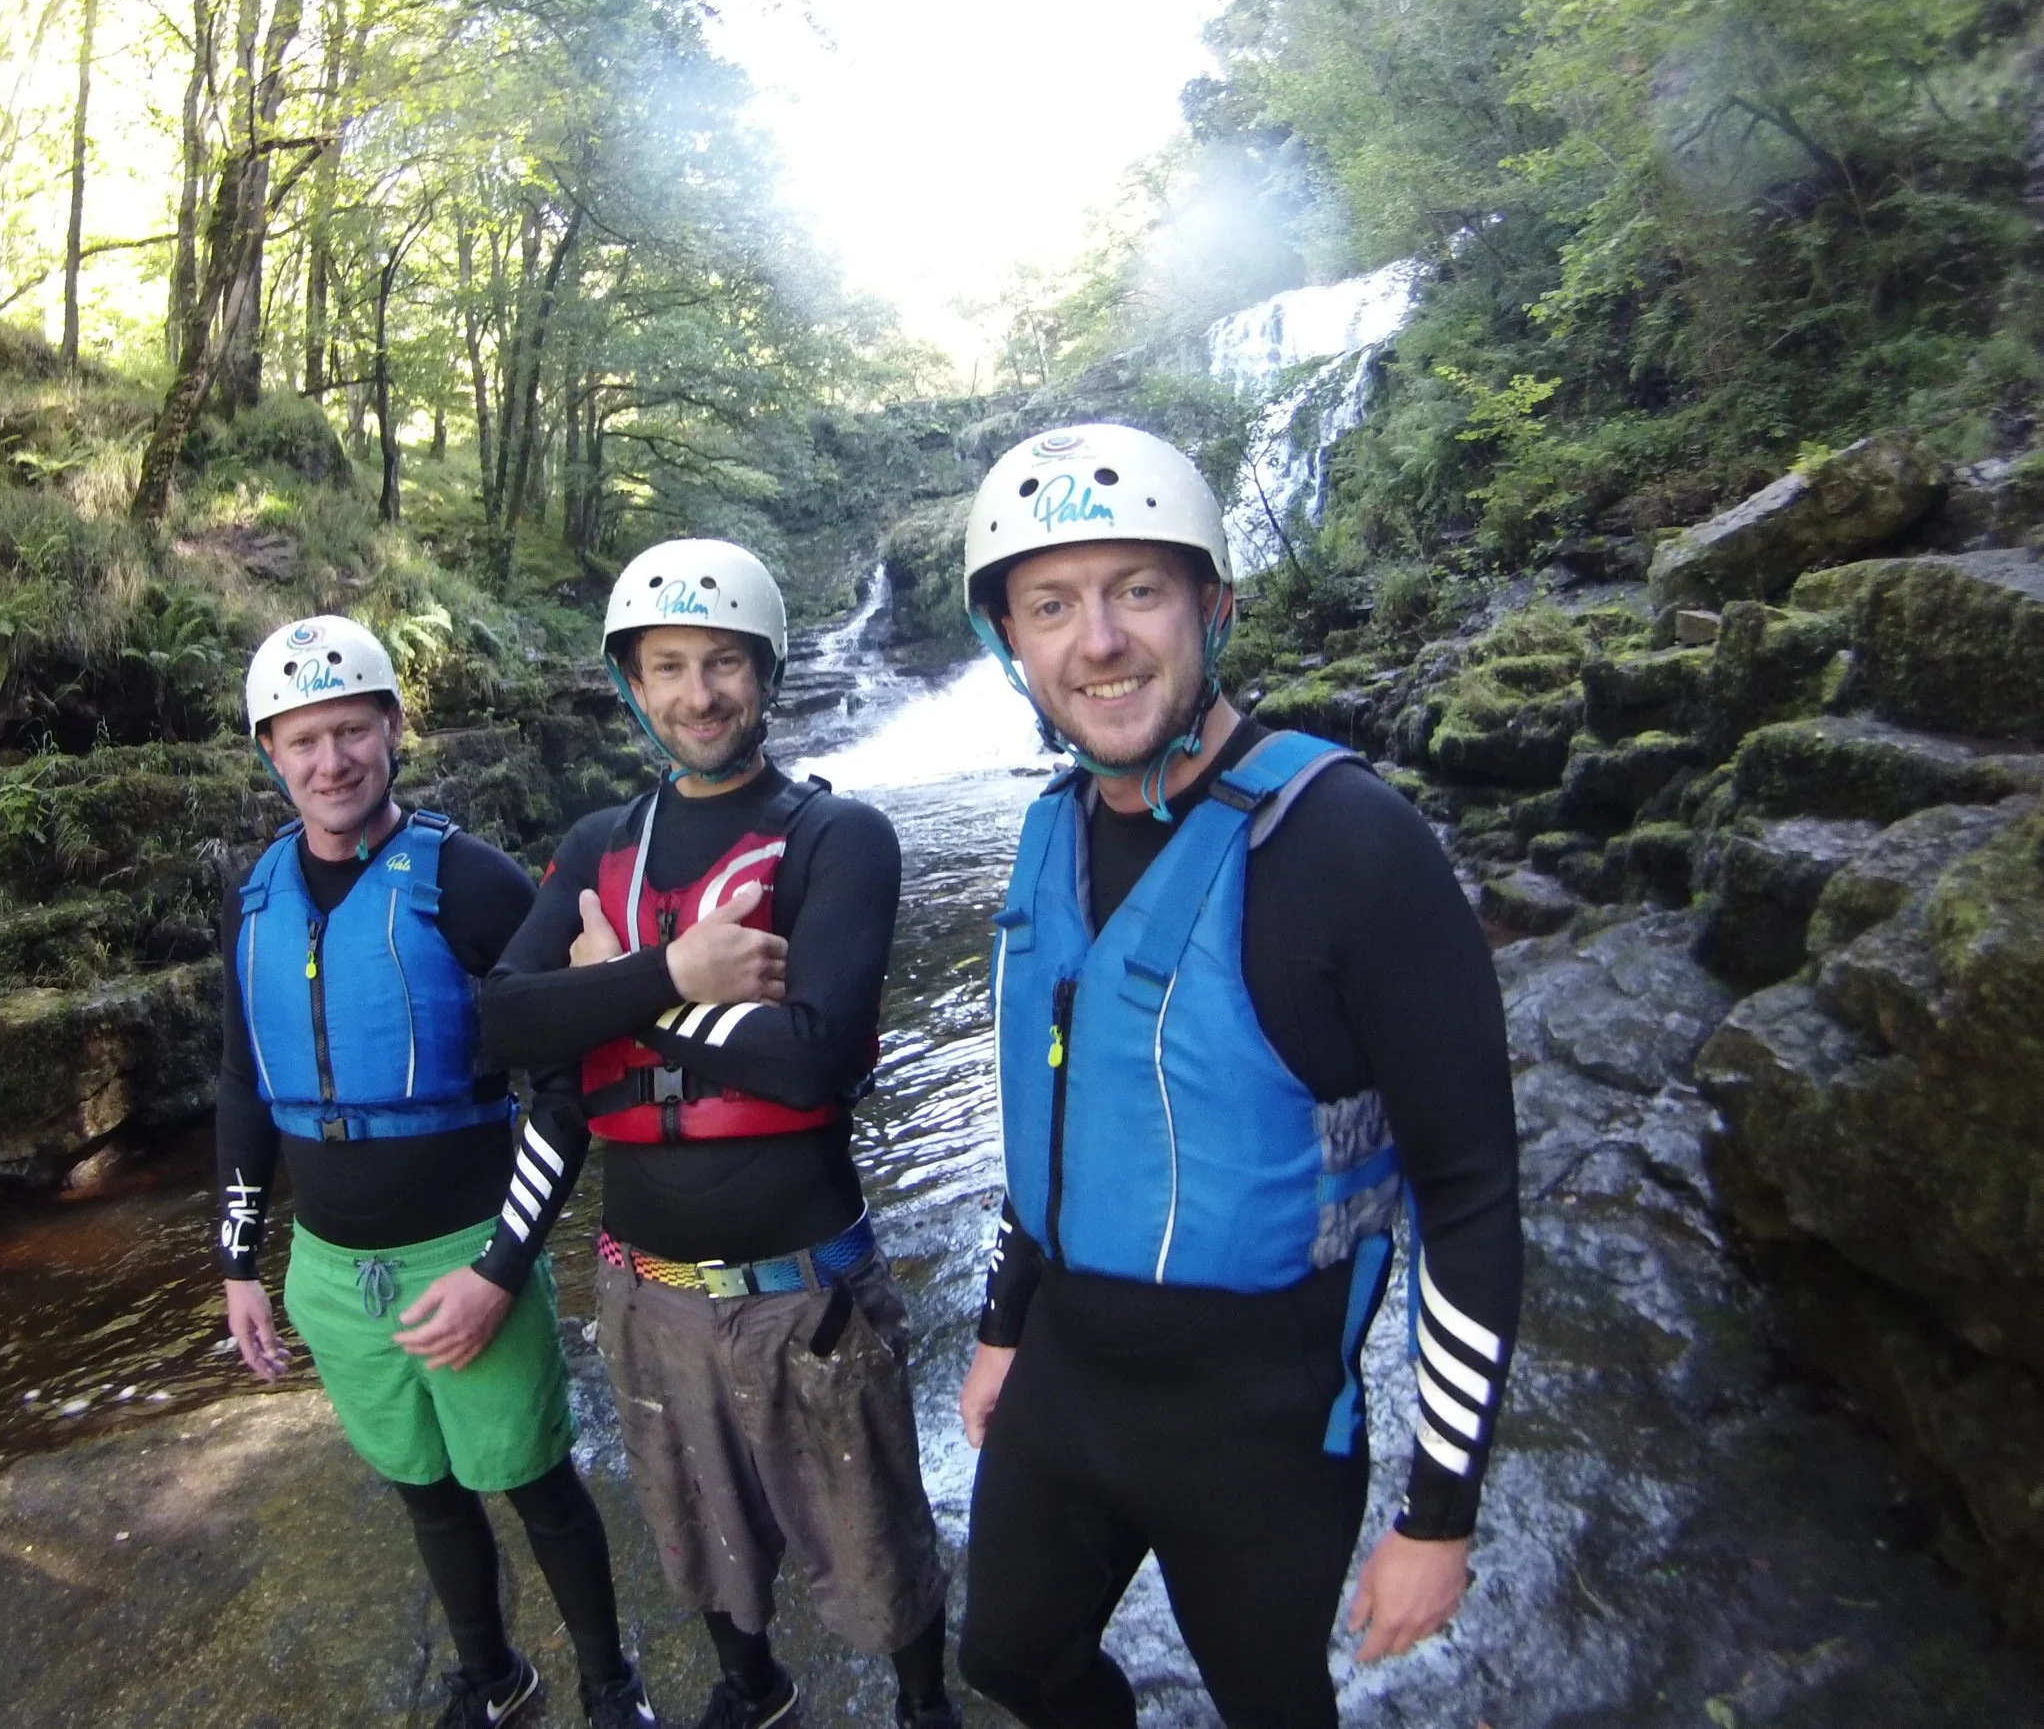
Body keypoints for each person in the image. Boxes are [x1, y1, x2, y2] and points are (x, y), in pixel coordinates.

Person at [950, 425, 1524, 1729]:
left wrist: (1438, 1515)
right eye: (1052, 604)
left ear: (1211, 601)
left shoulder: (1351, 843)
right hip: (1065, 1378)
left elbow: (1473, 1193)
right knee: (1013, 1662)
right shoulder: (1052, 828)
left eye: (1137, 589)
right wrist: (1001, 1324)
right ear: (1012, 644)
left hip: (1260, 1427)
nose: (1098, 639)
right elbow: (1061, 1112)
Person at [467, 539, 958, 1729]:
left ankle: (923, 1703)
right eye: (669, 666)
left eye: (725, 662)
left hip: (805, 1292)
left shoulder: (838, 839)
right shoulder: (595, 847)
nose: (699, 694)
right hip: (646, 1288)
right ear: (634, 685)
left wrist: (619, 992)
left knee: (874, 1538)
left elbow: (814, 1056)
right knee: (696, 1531)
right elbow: (498, 1020)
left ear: (766, 672)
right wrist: (679, 971)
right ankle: (752, 1691)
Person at [213, 614, 652, 1729]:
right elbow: (241, 1084)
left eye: (351, 731)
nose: (331, 762)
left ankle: (610, 1689)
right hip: (329, 1271)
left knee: (536, 1485)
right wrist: (239, 1264)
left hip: (465, 1254)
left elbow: (564, 1087)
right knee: (425, 1489)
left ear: (395, 729)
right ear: (271, 753)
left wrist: (504, 1270)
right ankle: (494, 1678)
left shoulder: (469, 881)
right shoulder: (256, 896)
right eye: (303, 740)